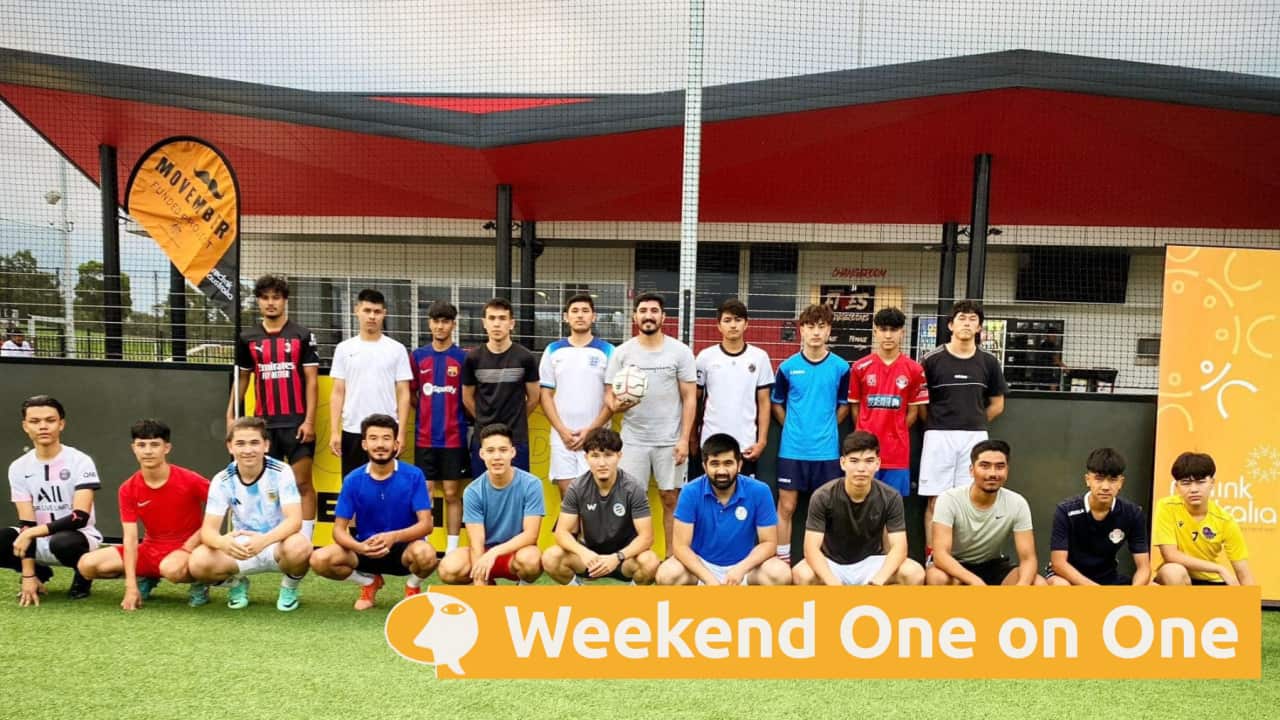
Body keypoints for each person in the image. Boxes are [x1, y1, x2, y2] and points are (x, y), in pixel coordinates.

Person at [76, 419, 212, 610]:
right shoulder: (127, 488)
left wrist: (190, 546)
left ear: (167, 448)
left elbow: (221, 508)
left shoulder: (190, 479)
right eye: (141, 445)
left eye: (155, 445)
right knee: (87, 565)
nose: (148, 451)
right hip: (150, 549)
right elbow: (130, 539)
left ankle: (200, 583)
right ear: (134, 448)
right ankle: (146, 577)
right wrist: (130, 586)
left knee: (171, 569)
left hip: (188, 548)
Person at [309, 414, 438, 609]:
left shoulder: (414, 475)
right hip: (365, 549)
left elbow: (426, 525)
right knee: (319, 559)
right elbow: (338, 530)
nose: (380, 445)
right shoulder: (353, 480)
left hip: (404, 549)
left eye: (386, 438)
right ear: (364, 444)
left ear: (396, 444)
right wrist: (360, 547)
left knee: (426, 554)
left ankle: (412, 587)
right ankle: (368, 582)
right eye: (373, 438)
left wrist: (393, 537)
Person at [229, 274, 322, 540]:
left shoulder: (302, 335)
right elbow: (242, 379)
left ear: (285, 301)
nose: (271, 303)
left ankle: (305, 542)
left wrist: (309, 421)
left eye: (276, 298)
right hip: (264, 426)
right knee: (267, 487)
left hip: (296, 424)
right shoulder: (247, 338)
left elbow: (312, 381)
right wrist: (230, 415)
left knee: (302, 483)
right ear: (258, 301)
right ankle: (269, 541)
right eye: (265, 298)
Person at [605, 292, 697, 559]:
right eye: (643, 311)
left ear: (663, 317)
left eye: (654, 311)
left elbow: (690, 398)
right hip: (633, 441)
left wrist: (684, 439)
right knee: (633, 500)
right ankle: (636, 561)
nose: (648, 316)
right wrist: (616, 405)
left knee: (671, 499)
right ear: (635, 316)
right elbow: (609, 394)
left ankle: (672, 559)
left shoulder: (680, 352)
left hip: (670, 440)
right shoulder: (622, 353)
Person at [188, 417, 313, 611]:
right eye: (240, 443)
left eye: (254, 443)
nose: (248, 450)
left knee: (301, 546)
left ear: (266, 445)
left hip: (277, 543)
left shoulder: (282, 471)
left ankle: (289, 588)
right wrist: (222, 543)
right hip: (243, 546)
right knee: (198, 562)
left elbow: (294, 521)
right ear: (230, 447)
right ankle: (236, 584)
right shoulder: (222, 480)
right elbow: (208, 531)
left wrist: (263, 541)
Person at [919, 300, 1007, 555]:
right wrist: (938, 424)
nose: (967, 323)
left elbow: (997, 405)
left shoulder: (989, 362)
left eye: (972, 319)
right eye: (961, 318)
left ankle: (961, 559)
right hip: (938, 437)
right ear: (950, 325)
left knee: (968, 501)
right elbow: (921, 404)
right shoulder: (931, 360)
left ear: (979, 327)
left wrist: (974, 420)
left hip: (975, 439)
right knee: (936, 502)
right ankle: (934, 558)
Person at [770, 303, 850, 565]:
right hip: (792, 450)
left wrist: (826, 427)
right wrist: (794, 427)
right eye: (810, 326)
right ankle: (783, 562)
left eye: (821, 326)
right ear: (801, 330)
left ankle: (824, 564)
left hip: (826, 452)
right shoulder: (787, 367)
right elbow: (777, 404)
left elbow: (844, 406)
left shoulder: (841, 368)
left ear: (829, 331)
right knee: (787, 507)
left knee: (827, 509)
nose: (816, 332)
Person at [655, 433, 791, 586]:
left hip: (744, 567)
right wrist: (708, 579)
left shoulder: (760, 491)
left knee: (780, 573)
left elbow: (769, 543)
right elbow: (680, 547)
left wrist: (740, 570)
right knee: (667, 574)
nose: (721, 471)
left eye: (728, 463)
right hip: (701, 567)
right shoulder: (690, 491)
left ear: (739, 465)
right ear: (704, 466)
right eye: (715, 464)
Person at [2, 395, 101, 604]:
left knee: (62, 541)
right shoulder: (18, 467)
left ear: (61, 424)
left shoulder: (80, 461)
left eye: (50, 420)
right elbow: (27, 523)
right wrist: (28, 575)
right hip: (38, 541)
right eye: (35, 421)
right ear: (25, 426)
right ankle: (40, 573)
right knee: (3, 538)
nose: (43, 427)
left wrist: (32, 533)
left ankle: (83, 576)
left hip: (77, 539)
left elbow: (79, 517)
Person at [792, 431, 924, 586]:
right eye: (854, 461)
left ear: (878, 463)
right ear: (843, 463)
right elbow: (811, 548)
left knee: (914, 573)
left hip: (871, 564)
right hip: (832, 564)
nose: (861, 468)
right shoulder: (823, 496)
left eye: (869, 461)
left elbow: (899, 547)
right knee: (802, 574)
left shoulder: (891, 497)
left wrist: (877, 581)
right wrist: (832, 583)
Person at [543, 428, 660, 585]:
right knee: (551, 557)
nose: (602, 463)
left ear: (619, 456)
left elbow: (646, 537)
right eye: (595, 456)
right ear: (586, 457)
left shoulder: (633, 488)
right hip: (590, 558)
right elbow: (561, 533)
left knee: (650, 562)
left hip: (623, 558)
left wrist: (617, 557)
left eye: (608, 455)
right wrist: (584, 553)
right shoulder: (577, 487)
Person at [925, 440, 1044, 586]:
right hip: (955, 565)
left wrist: (1022, 586)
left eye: (999, 467)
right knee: (937, 578)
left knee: (1038, 583)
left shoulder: (1018, 503)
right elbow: (941, 555)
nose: (992, 473)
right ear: (971, 470)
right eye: (984, 466)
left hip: (993, 566)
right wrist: (975, 581)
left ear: (1007, 470)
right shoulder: (949, 499)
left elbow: (1028, 558)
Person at [438, 424, 544, 585]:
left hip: (516, 553)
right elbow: (476, 542)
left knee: (531, 560)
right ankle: (489, 587)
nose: (497, 457)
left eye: (503, 450)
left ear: (513, 452)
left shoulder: (531, 484)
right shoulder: (473, 491)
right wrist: (480, 582)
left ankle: (522, 589)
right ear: (481, 454)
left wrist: (495, 552)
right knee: (448, 568)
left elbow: (531, 535)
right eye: (490, 451)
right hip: (483, 553)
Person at [329, 288, 413, 478]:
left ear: (384, 313)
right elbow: (338, 392)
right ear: (356, 310)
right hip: (352, 430)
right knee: (354, 485)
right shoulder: (344, 349)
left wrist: (401, 433)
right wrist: (334, 431)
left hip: (386, 432)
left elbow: (404, 393)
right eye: (367, 311)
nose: (372, 316)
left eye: (377, 311)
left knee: (388, 484)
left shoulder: (397, 349)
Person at [540, 292, 615, 499]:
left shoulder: (608, 351)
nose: (580, 315)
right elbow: (545, 395)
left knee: (595, 495)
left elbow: (611, 399)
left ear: (594, 316)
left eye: (585, 311)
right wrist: (562, 431)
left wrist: (591, 431)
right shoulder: (553, 350)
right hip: (562, 437)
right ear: (566, 317)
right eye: (574, 311)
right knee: (568, 495)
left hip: (596, 437)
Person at [847, 307, 928, 496]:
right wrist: (867, 432)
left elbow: (913, 413)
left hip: (897, 453)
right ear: (875, 332)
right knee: (862, 503)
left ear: (902, 333)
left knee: (893, 505)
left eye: (894, 330)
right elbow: (855, 409)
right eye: (883, 330)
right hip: (865, 452)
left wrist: (895, 429)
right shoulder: (860, 367)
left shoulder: (914, 369)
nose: (888, 335)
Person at [410, 299, 470, 553]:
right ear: (429, 324)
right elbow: (412, 395)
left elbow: (469, 396)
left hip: (454, 437)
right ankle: (424, 546)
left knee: (451, 493)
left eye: (445, 321)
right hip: (424, 437)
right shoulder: (418, 356)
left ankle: (452, 549)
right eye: (436, 321)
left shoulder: (463, 358)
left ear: (453, 325)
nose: (440, 326)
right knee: (424, 492)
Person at [1046, 448, 1151, 586]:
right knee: (1060, 585)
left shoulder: (1133, 513)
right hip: (1068, 578)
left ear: (1121, 482)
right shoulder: (1066, 510)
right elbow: (1058, 564)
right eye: (1099, 479)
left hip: (1108, 578)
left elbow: (1144, 567)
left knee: (1152, 587)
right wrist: (1095, 590)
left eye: (1112, 480)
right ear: (1087, 480)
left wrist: (1134, 591)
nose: (1105, 487)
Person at [694, 298, 773, 477]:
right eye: (727, 320)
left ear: (746, 324)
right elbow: (695, 400)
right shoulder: (705, 357)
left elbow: (764, 402)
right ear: (719, 325)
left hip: (746, 445)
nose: (733, 325)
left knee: (743, 492)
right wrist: (692, 438)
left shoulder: (759, 357)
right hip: (711, 442)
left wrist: (761, 441)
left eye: (738, 320)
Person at [461, 298, 540, 476]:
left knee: (518, 489)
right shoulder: (473, 358)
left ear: (512, 323)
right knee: (483, 489)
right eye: (492, 318)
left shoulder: (525, 358)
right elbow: (467, 397)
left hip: (516, 439)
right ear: (484, 323)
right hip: (484, 439)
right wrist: (483, 420)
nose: (497, 323)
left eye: (502, 318)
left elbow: (534, 397)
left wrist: (517, 419)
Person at [1153, 452, 1254, 586]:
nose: (1193, 489)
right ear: (1176, 486)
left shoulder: (1225, 520)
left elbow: (1243, 573)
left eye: (1200, 482)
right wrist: (1219, 568)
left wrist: (1249, 598)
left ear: (1212, 483)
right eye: (1186, 483)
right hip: (1177, 577)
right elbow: (1170, 555)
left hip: (1210, 580)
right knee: (1172, 572)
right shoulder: (1166, 506)